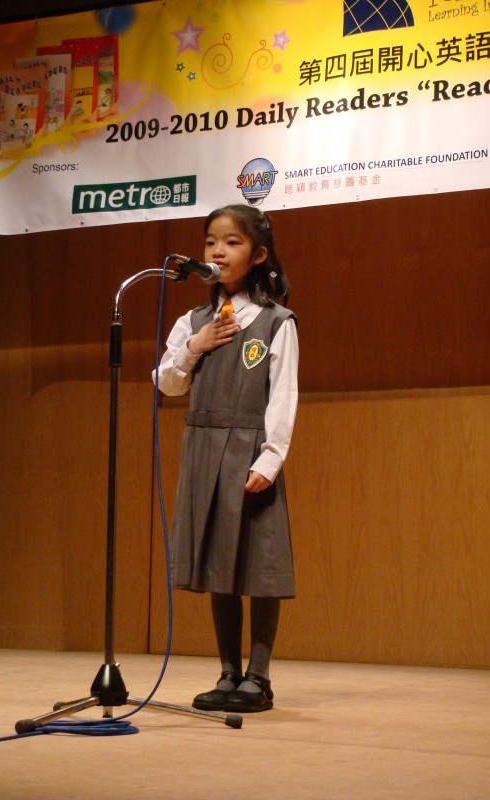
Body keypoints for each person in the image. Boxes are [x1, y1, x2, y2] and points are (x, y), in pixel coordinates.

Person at [153, 204, 299, 713]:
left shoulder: (276, 322)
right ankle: (228, 673)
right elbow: (168, 384)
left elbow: (284, 395)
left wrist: (270, 458)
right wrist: (195, 345)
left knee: (256, 565)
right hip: (203, 449)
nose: (217, 250)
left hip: (249, 452)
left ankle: (259, 677)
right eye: (211, 240)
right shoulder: (192, 321)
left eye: (232, 242)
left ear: (258, 255)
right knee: (219, 565)